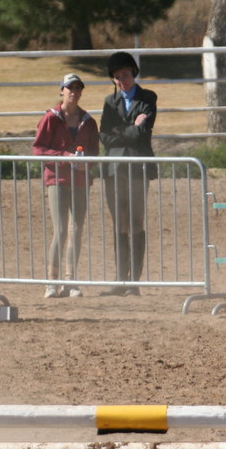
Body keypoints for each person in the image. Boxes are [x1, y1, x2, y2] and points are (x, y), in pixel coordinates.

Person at [32, 73, 100, 299]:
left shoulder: (89, 122)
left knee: (76, 230)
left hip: (80, 181)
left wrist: (85, 164)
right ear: (62, 90)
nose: (75, 92)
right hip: (57, 180)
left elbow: (94, 153)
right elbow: (39, 149)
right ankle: (52, 281)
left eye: (78, 88)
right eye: (70, 88)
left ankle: (71, 280)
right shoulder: (51, 118)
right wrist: (65, 156)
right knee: (61, 229)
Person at [99, 51, 158, 296]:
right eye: (117, 76)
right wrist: (130, 129)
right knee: (119, 223)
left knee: (135, 221)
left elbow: (143, 132)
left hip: (136, 167)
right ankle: (120, 278)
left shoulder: (147, 97)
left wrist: (123, 132)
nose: (121, 80)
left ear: (133, 73)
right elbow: (104, 136)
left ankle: (134, 280)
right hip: (114, 169)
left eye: (125, 74)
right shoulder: (109, 102)